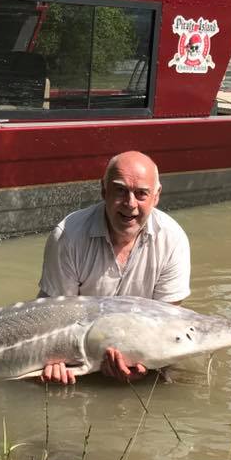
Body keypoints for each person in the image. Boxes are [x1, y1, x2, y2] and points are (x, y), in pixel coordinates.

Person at [37, 150, 191, 385]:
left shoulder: (173, 239)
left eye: (141, 194)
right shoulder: (68, 235)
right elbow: (57, 322)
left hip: (139, 351)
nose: (130, 204)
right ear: (103, 190)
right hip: (76, 348)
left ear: (156, 196)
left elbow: (166, 325)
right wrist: (54, 360)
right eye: (120, 191)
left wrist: (146, 367)